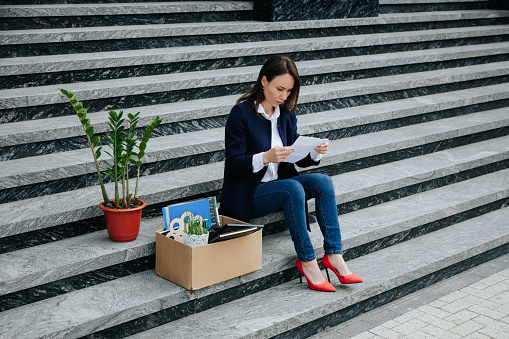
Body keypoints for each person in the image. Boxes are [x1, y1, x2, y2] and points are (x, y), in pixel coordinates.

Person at [219, 55, 362, 292]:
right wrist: (265, 157)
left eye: (289, 91)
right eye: (280, 88)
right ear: (264, 81)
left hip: (280, 188)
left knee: (323, 182)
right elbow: (233, 164)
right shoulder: (241, 114)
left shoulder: (285, 113)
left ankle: (334, 255)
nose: (283, 96)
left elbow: (293, 151)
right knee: (292, 187)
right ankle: (307, 261)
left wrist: (315, 151)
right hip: (249, 194)